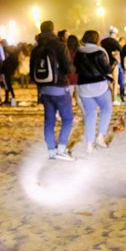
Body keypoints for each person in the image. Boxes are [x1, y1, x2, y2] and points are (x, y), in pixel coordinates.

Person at [31, 20, 76, 160]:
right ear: (53, 29)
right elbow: (68, 68)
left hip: (44, 90)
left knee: (49, 121)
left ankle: (51, 150)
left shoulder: (36, 48)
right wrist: (73, 69)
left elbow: (32, 72)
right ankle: (61, 149)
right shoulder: (59, 45)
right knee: (68, 119)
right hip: (60, 88)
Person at [74, 30, 113, 153]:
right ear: (96, 39)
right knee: (106, 108)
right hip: (99, 86)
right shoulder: (100, 51)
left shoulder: (78, 52)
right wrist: (116, 60)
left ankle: (89, 144)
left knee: (90, 114)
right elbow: (107, 70)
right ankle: (100, 136)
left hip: (84, 87)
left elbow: (75, 68)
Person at [100, 27, 123, 105]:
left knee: (107, 81)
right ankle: (113, 99)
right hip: (113, 63)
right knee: (115, 82)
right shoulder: (115, 42)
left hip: (104, 63)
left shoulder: (103, 41)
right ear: (116, 34)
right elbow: (121, 51)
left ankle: (107, 98)